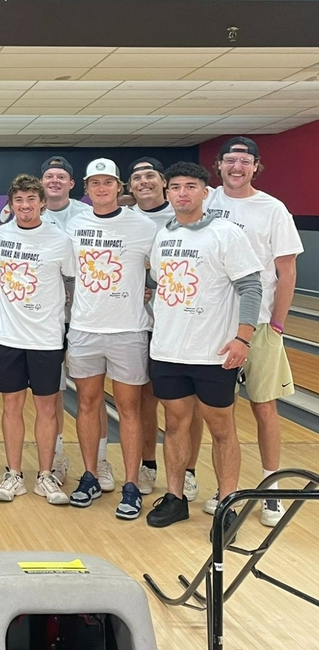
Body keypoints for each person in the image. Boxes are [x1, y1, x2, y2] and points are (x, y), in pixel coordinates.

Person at [145, 162, 262, 542]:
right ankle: (176, 497)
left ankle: (227, 503)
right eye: (175, 187)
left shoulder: (226, 234)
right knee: (176, 425)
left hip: (212, 353)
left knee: (222, 430)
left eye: (190, 187)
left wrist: (243, 338)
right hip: (168, 350)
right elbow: (160, 285)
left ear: (204, 192)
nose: (182, 193)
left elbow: (251, 287)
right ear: (167, 193)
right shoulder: (162, 236)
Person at [204, 137, 303, 527]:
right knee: (217, 413)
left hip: (258, 323)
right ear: (220, 165)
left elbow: (287, 270)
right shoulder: (207, 200)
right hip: (214, 323)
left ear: (256, 167)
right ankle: (224, 488)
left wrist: (276, 324)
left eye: (245, 161)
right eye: (231, 160)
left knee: (264, 408)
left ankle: (271, 489)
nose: (237, 167)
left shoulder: (272, 209)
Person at [65, 159, 159, 520]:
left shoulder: (142, 226)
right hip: (85, 329)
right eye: (95, 183)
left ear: (120, 187)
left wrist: (149, 290)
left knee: (129, 409)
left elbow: (161, 269)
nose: (101, 188)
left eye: (108, 182)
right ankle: (90, 475)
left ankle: (132, 484)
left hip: (128, 330)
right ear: (85, 189)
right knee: (87, 405)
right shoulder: (76, 225)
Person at [0, 174, 75, 506]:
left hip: (46, 338)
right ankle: (13, 474)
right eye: (19, 200)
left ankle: (45, 475)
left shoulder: (59, 239)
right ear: (11, 205)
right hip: (8, 336)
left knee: (46, 408)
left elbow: (70, 279)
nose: (25, 206)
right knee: (12, 407)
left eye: (31, 200)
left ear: (42, 202)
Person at [126, 157, 203, 501]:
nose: (144, 182)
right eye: (137, 177)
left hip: (184, 324)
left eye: (150, 176)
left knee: (190, 405)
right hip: (137, 323)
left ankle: (188, 471)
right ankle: (148, 464)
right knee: (145, 399)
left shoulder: (182, 217)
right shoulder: (126, 218)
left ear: (163, 183)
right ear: (129, 186)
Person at [36, 156, 103, 488]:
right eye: (49, 176)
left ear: (73, 184)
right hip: (44, 320)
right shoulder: (32, 212)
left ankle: (100, 459)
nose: (55, 181)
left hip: (85, 317)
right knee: (54, 391)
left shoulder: (85, 215)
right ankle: (58, 456)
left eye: (61, 176)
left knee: (93, 393)